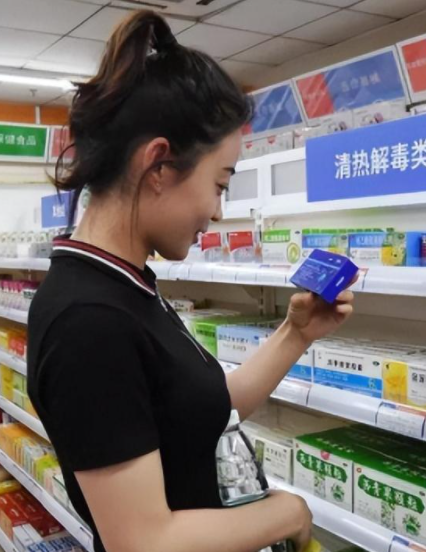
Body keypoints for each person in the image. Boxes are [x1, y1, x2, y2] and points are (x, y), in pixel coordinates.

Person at [26, 11, 355, 552]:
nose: (218, 212)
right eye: (219, 184)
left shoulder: (127, 285)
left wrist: (295, 333)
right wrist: (285, 514)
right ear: (158, 166)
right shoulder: (88, 323)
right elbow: (143, 542)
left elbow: (202, 409)